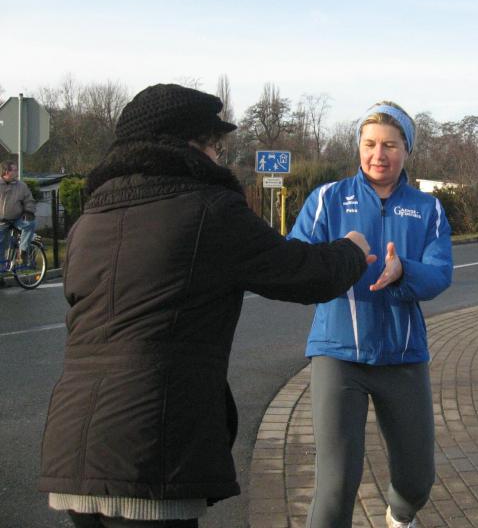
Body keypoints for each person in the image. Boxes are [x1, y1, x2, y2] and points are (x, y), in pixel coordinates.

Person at [38, 84, 376, 528]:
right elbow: (301, 273)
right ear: (190, 145)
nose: (219, 157)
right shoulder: (208, 210)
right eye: (216, 145)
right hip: (151, 453)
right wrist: (352, 249)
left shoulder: (89, 221)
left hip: (70, 451)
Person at [288, 101, 453, 528]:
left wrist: (403, 272)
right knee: (336, 484)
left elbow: (440, 273)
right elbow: (296, 264)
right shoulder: (327, 199)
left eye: (390, 145)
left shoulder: (428, 209)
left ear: (406, 150)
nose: (378, 155)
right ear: (359, 146)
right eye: (370, 144)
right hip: (337, 353)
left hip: (403, 355)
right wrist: (341, 257)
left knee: (417, 480)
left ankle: (400, 514)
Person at [0, 160, 37, 265]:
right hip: (1, 221)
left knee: (30, 224)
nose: (17, 172)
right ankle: (1, 270)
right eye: (14, 170)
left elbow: (29, 200)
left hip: (17, 218)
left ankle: (23, 250)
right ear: (6, 172)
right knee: (1, 246)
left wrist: (29, 211)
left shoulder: (21, 186)